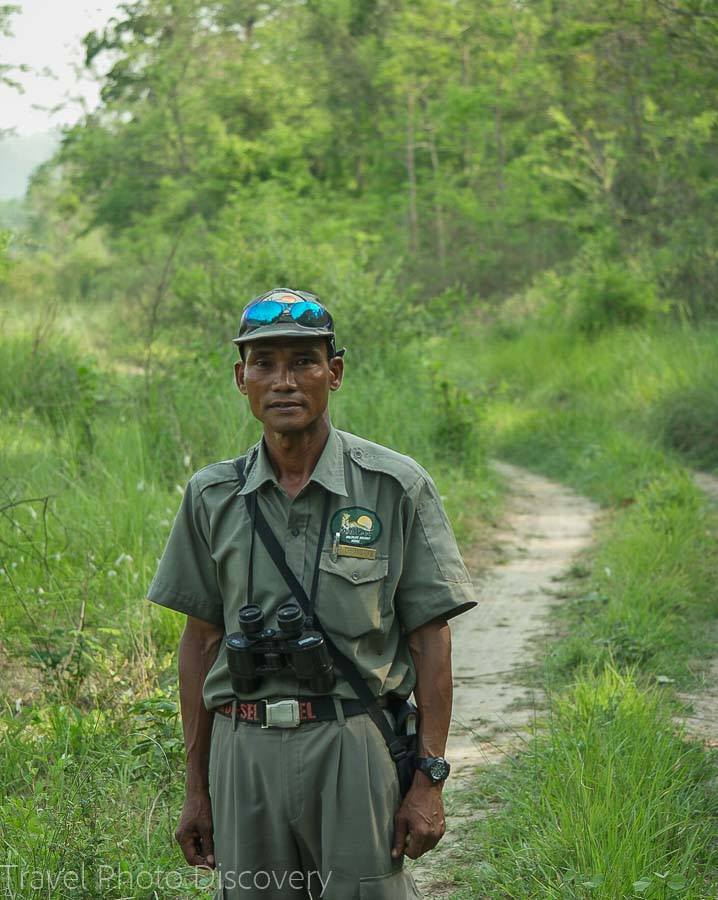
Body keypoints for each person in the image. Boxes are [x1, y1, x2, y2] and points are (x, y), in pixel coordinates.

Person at [147, 288, 477, 899]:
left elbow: (432, 640)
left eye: (304, 361)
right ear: (240, 377)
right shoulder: (211, 496)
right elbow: (199, 643)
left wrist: (428, 779)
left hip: (353, 744)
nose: (284, 381)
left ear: (336, 372)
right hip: (242, 752)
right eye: (265, 363)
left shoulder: (393, 486)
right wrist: (197, 787)